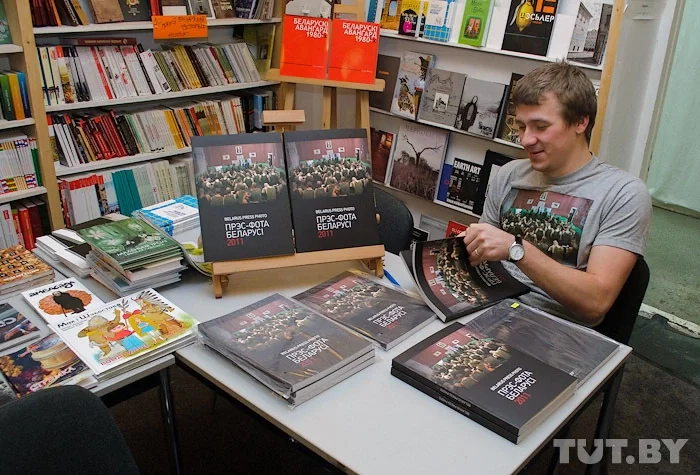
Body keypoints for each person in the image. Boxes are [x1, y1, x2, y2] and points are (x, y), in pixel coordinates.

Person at [461, 62, 651, 326]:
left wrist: (517, 250)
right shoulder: (508, 174)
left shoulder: (624, 194)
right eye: (521, 127)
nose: (526, 140)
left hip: (554, 330)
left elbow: (595, 304)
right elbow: (482, 259)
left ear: (581, 121)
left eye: (540, 126)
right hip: (488, 307)